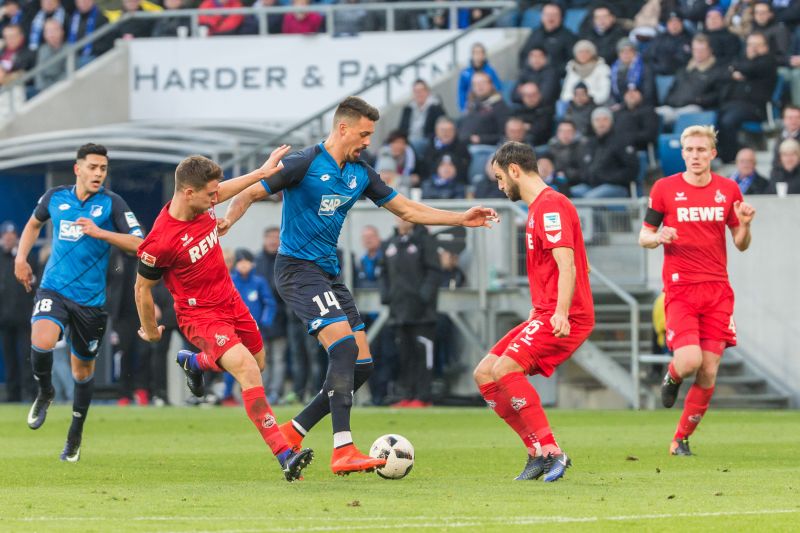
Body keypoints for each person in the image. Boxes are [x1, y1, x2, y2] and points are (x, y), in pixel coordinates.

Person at [220, 96, 498, 475]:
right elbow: (251, 191)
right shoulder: (304, 163)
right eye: (364, 134)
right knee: (344, 348)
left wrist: (461, 218)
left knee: (361, 366)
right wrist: (226, 224)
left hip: (329, 275)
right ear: (343, 128)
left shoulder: (361, 173)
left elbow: (407, 209)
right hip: (298, 270)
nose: (368, 142)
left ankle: (294, 429)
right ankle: (343, 449)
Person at [134, 145, 314, 482]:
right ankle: (284, 453)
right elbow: (141, 289)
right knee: (248, 370)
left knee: (257, 364)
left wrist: (262, 172)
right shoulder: (160, 242)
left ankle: (196, 362)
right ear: (189, 193)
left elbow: (226, 189)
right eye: (210, 193)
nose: (216, 198)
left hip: (231, 300)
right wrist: (153, 331)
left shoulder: (201, 203)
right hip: (200, 315)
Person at [14, 143, 145, 462]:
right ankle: (45, 391)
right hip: (54, 289)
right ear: (78, 169)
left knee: (82, 371)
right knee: (41, 342)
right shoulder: (55, 198)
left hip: (90, 302)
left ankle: (74, 436)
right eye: (92, 167)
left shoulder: (112, 204)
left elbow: (140, 243)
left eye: (103, 168)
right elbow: (33, 224)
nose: (98, 173)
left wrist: (102, 234)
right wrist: (21, 258)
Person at [473, 141, 594, 482]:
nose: (499, 186)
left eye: (499, 177)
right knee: (484, 373)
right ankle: (536, 452)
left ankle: (553, 450)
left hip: (566, 315)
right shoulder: (539, 208)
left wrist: (560, 311)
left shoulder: (550, 206)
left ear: (514, 170)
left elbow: (566, 265)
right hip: (543, 311)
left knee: (506, 368)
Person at [639, 125, 755, 456]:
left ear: (712, 154)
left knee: (708, 370)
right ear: (683, 153)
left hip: (717, 290)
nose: (695, 155)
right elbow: (644, 235)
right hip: (681, 289)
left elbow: (741, 245)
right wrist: (658, 237)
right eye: (689, 150)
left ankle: (680, 439)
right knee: (689, 361)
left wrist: (745, 226)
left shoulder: (729, 190)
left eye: (701, 150)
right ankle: (672, 377)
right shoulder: (665, 188)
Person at [379, 219, 440, 408]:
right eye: (398, 217)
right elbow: (382, 272)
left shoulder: (425, 241)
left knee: (423, 354)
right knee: (404, 355)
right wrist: (386, 296)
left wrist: (423, 297)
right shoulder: (390, 243)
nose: (401, 221)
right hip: (399, 311)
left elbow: (434, 272)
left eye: (404, 217)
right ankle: (406, 395)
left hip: (422, 314)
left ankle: (423, 396)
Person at [717, 32, 777, 163]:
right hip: (733, 104)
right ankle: (719, 154)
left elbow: (751, 68)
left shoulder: (769, 60)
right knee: (714, 117)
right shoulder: (741, 59)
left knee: (728, 120)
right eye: (750, 45)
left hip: (755, 107)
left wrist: (737, 69)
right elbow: (724, 71)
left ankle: (730, 157)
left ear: (765, 47)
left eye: (757, 45)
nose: (753, 48)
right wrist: (735, 70)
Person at [228, 248, 276, 405]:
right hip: (233, 331)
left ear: (252, 264)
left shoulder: (258, 282)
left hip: (255, 331)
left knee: (258, 363)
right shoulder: (230, 280)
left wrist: (265, 321)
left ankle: (258, 394)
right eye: (240, 262)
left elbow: (269, 303)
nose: (243, 265)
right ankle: (227, 394)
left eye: (246, 262)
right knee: (233, 362)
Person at [656, 34, 726, 127]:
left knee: (689, 114)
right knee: (650, 114)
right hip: (672, 107)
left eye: (702, 50)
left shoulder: (717, 71)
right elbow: (671, 90)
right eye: (695, 49)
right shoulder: (684, 69)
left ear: (710, 50)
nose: (698, 53)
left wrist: (698, 100)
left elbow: (717, 96)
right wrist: (672, 101)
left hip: (695, 109)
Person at [0, 221, 35, 402]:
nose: (8, 240)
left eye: (11, 237)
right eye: (5, 237)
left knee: (27, 358)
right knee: (10, 359)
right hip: (4, 320)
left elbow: (34, 287)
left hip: (24, 318)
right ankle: (13, 395)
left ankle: (30, 392)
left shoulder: (26, 258)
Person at [572, 107, 639, 198]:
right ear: (592, 123)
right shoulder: (589, 143)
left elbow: (631, 170)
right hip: (591, 185)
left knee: (590, 198)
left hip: (616, 186)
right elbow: (583, 168)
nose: (601, 123)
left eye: (605, 119)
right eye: (597, 120)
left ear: (611, 121)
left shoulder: (622, 142)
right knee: (569, 194)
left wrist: (608, 178)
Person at [517, 3, 577, 74]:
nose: (550, 18)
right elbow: (523, 55)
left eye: (554, 15)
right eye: (547, 15)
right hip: (531, 76)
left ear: (561, 17)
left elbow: (573, 62)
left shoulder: (568, 36)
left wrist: (551, 69)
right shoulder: (535, 33)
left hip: (556, 77)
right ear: (541, 16)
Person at [397, 79, 446, 157]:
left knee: (411, 147)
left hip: (426, 141)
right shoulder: (408, 109)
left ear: (427, 92)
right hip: (407, 141)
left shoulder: (436, 107)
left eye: (421, 91)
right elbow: (400, 130)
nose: (419, 94)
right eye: (416, 91)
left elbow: (442, 128)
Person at [560, 40, 611, 106]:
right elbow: (565, 93)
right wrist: (576, 99)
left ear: (592, 53)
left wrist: (587, 99)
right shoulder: (571, 69)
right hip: (574, 106)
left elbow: (604, 93)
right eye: (580, 52)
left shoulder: (602, 68)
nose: (583, 55)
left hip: (595, 105)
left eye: (587, 52)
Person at [642, 11, 692, 76]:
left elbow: (681, 61)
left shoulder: (687, 39)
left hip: (674, 74)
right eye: (671, 22)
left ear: (682, 23)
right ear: (667, 24)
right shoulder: (660, 37)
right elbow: (648, 55)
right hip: (654, 71)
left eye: (677, 22)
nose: (674, 25)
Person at [458, 42, 503, 112]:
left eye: (480, 53)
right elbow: (461, 91)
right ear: (472, 55)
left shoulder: (490, 71)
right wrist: (463, 108)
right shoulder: (465, 73)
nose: (478, 55)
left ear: (484, 55)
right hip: (471, 105)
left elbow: (498, 88)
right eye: (476, 53)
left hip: (488, 105)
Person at [34, 18, 66, 92]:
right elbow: (38, 73)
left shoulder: (69, 49)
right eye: (48, 31)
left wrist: (53, 87)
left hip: (60, 88)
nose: (51, 34)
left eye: (55, 30)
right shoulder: (42, 50)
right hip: (43, 88)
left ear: (62, 32)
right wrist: (41, 88)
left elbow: (67, 72)